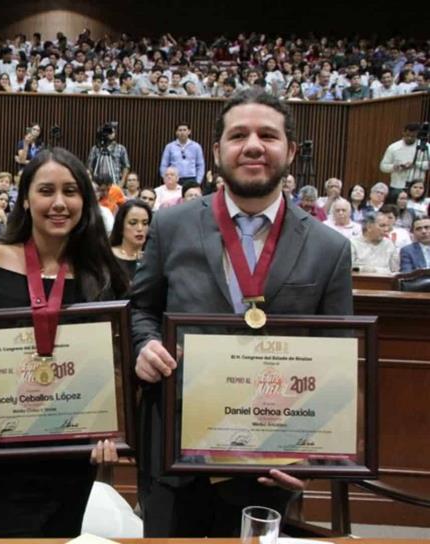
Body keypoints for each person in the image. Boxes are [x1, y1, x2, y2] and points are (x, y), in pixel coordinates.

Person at [130, 89, 351, 537]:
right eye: (238, 135)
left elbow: (338, 362)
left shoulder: (331, 249)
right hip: (175, 450)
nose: (253, 145)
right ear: (217, 151)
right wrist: (145, 344)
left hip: (270, 457)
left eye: (268, 135)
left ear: (289, 150)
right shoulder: (171, 225)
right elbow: (142, 310)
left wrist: (310, 456)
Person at [0, 147, 125, 537]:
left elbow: (114, 361)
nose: (59, 203)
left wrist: (110, 428)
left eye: (71, 191)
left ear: (85, 200)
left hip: (70, 450)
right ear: (26, 199)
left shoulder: (103, 273)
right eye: (46, 190)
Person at [379, 123, 429, 199]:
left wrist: (415, 164)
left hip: (417, 187)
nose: (409, 138)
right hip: (397, 186)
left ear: (417, 135)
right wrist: (395, 167)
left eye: (412, 136)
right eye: (407, 135)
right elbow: (383, 166)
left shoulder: (425, 146)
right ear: (403, 133)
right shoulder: (393, 147)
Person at [109, 199, 152, 283]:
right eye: (133, 223)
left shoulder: (153, 258)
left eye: (145, 223)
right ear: (121, 226)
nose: (140, 228)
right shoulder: (107, 256)